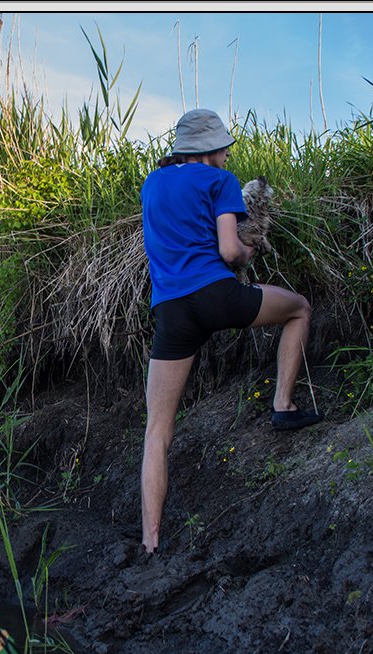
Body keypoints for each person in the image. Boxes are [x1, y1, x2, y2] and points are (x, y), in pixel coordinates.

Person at [139, 108, 322, 554]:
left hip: (171, 312)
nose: (226, 153)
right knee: (299, 308)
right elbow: (228, 251)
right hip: (216, 296)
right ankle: (283, 405)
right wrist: (248, 248)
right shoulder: (220, 181)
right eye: (223, 146)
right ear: (210, 149)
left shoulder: (151, 184)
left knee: (157, 430)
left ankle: (150, 542)